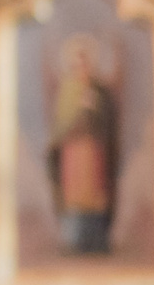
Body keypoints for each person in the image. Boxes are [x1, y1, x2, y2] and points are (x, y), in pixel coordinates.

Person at [48, 32, 119, 256]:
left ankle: (97, 239)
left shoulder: (99, 90)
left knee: (96, 193)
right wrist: (80, 111)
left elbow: (108, 122)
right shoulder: (67, 89)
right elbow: (61, 124)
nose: (82, 66)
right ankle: (74, 239)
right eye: (78, 62)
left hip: (95, 150)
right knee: (75, 196)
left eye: (85, 61)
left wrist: (94, 109)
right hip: (73, 151)